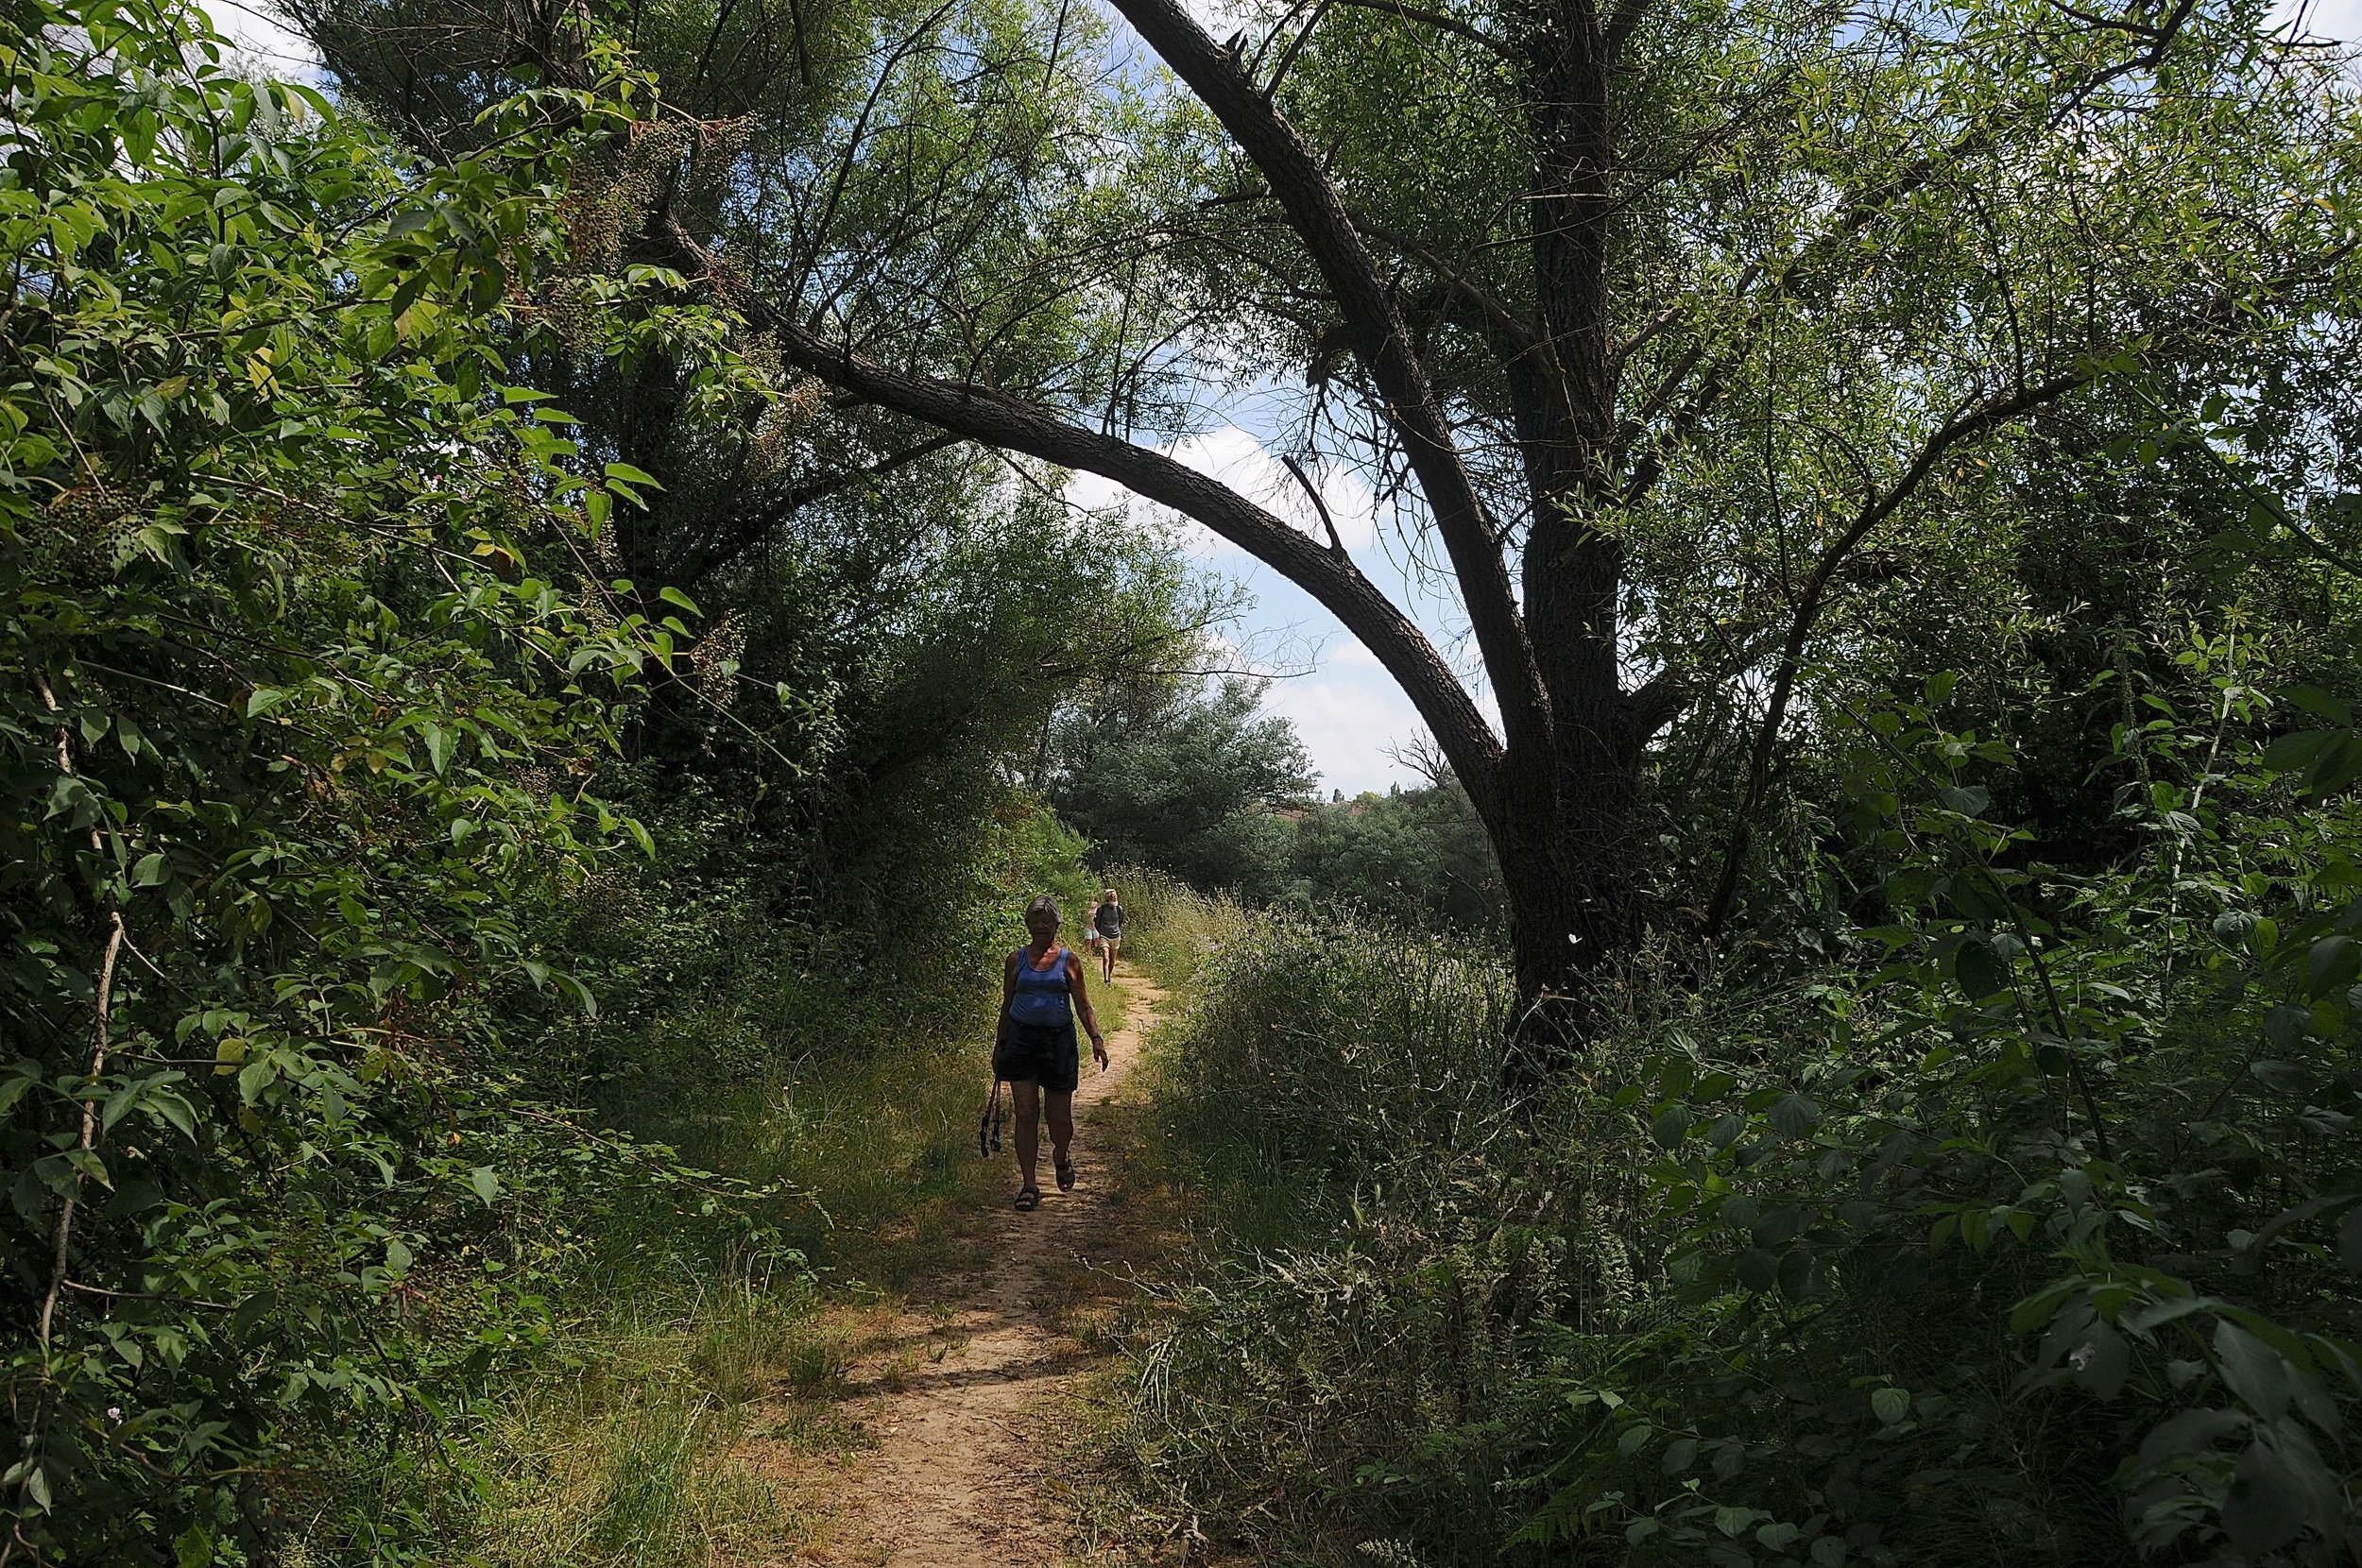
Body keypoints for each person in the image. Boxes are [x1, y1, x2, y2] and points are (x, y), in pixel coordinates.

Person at [994, 895, 1107, 1211]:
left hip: (1059, 1043)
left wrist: (1096, 1038)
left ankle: (1061, 1155)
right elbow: (1006, 1004)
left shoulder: (1069, 961)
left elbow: (1083, 1005)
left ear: (1057, 924)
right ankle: (1029, 1185)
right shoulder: (1015, 960)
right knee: (1026, 1114)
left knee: (1059, 1119)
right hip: (1020, 1041)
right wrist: (999, 1045)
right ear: (1027, 924)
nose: (1041, 926)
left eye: (1047, 920)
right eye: (1035, 920)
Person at [1091, 886, 1122, 984]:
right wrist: (1101, 933)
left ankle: (1109, 976)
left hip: (1116, 937)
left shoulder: (1119, 909)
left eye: (1115, 896)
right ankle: (1106, 980)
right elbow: (1096, 923)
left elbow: (1120, 921)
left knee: (1112, 960)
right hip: (1104, 936)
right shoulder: (1101, 909)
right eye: (1112, 896)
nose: (1114, 898)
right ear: (1108, 898)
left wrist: (1117, 930)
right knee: (1106, 957)